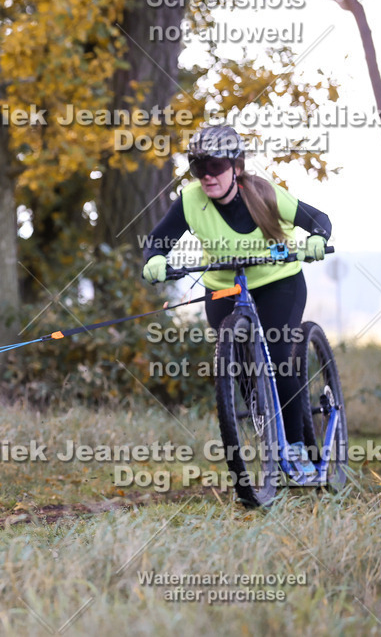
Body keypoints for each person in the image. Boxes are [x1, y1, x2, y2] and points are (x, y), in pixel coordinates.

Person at [141, 125, 331, 477]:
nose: (207, 176)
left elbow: (317, 219)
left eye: (215, 166)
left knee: (278, 360)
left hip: (278, 282)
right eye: (199, 168)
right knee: (241, 366)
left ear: (236, 167)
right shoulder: (191, 201)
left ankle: (297, 447)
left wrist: (317, 238)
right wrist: (155, 260)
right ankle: (262, 423)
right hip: (225, 287)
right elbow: (159, 239)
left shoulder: (265, 194)